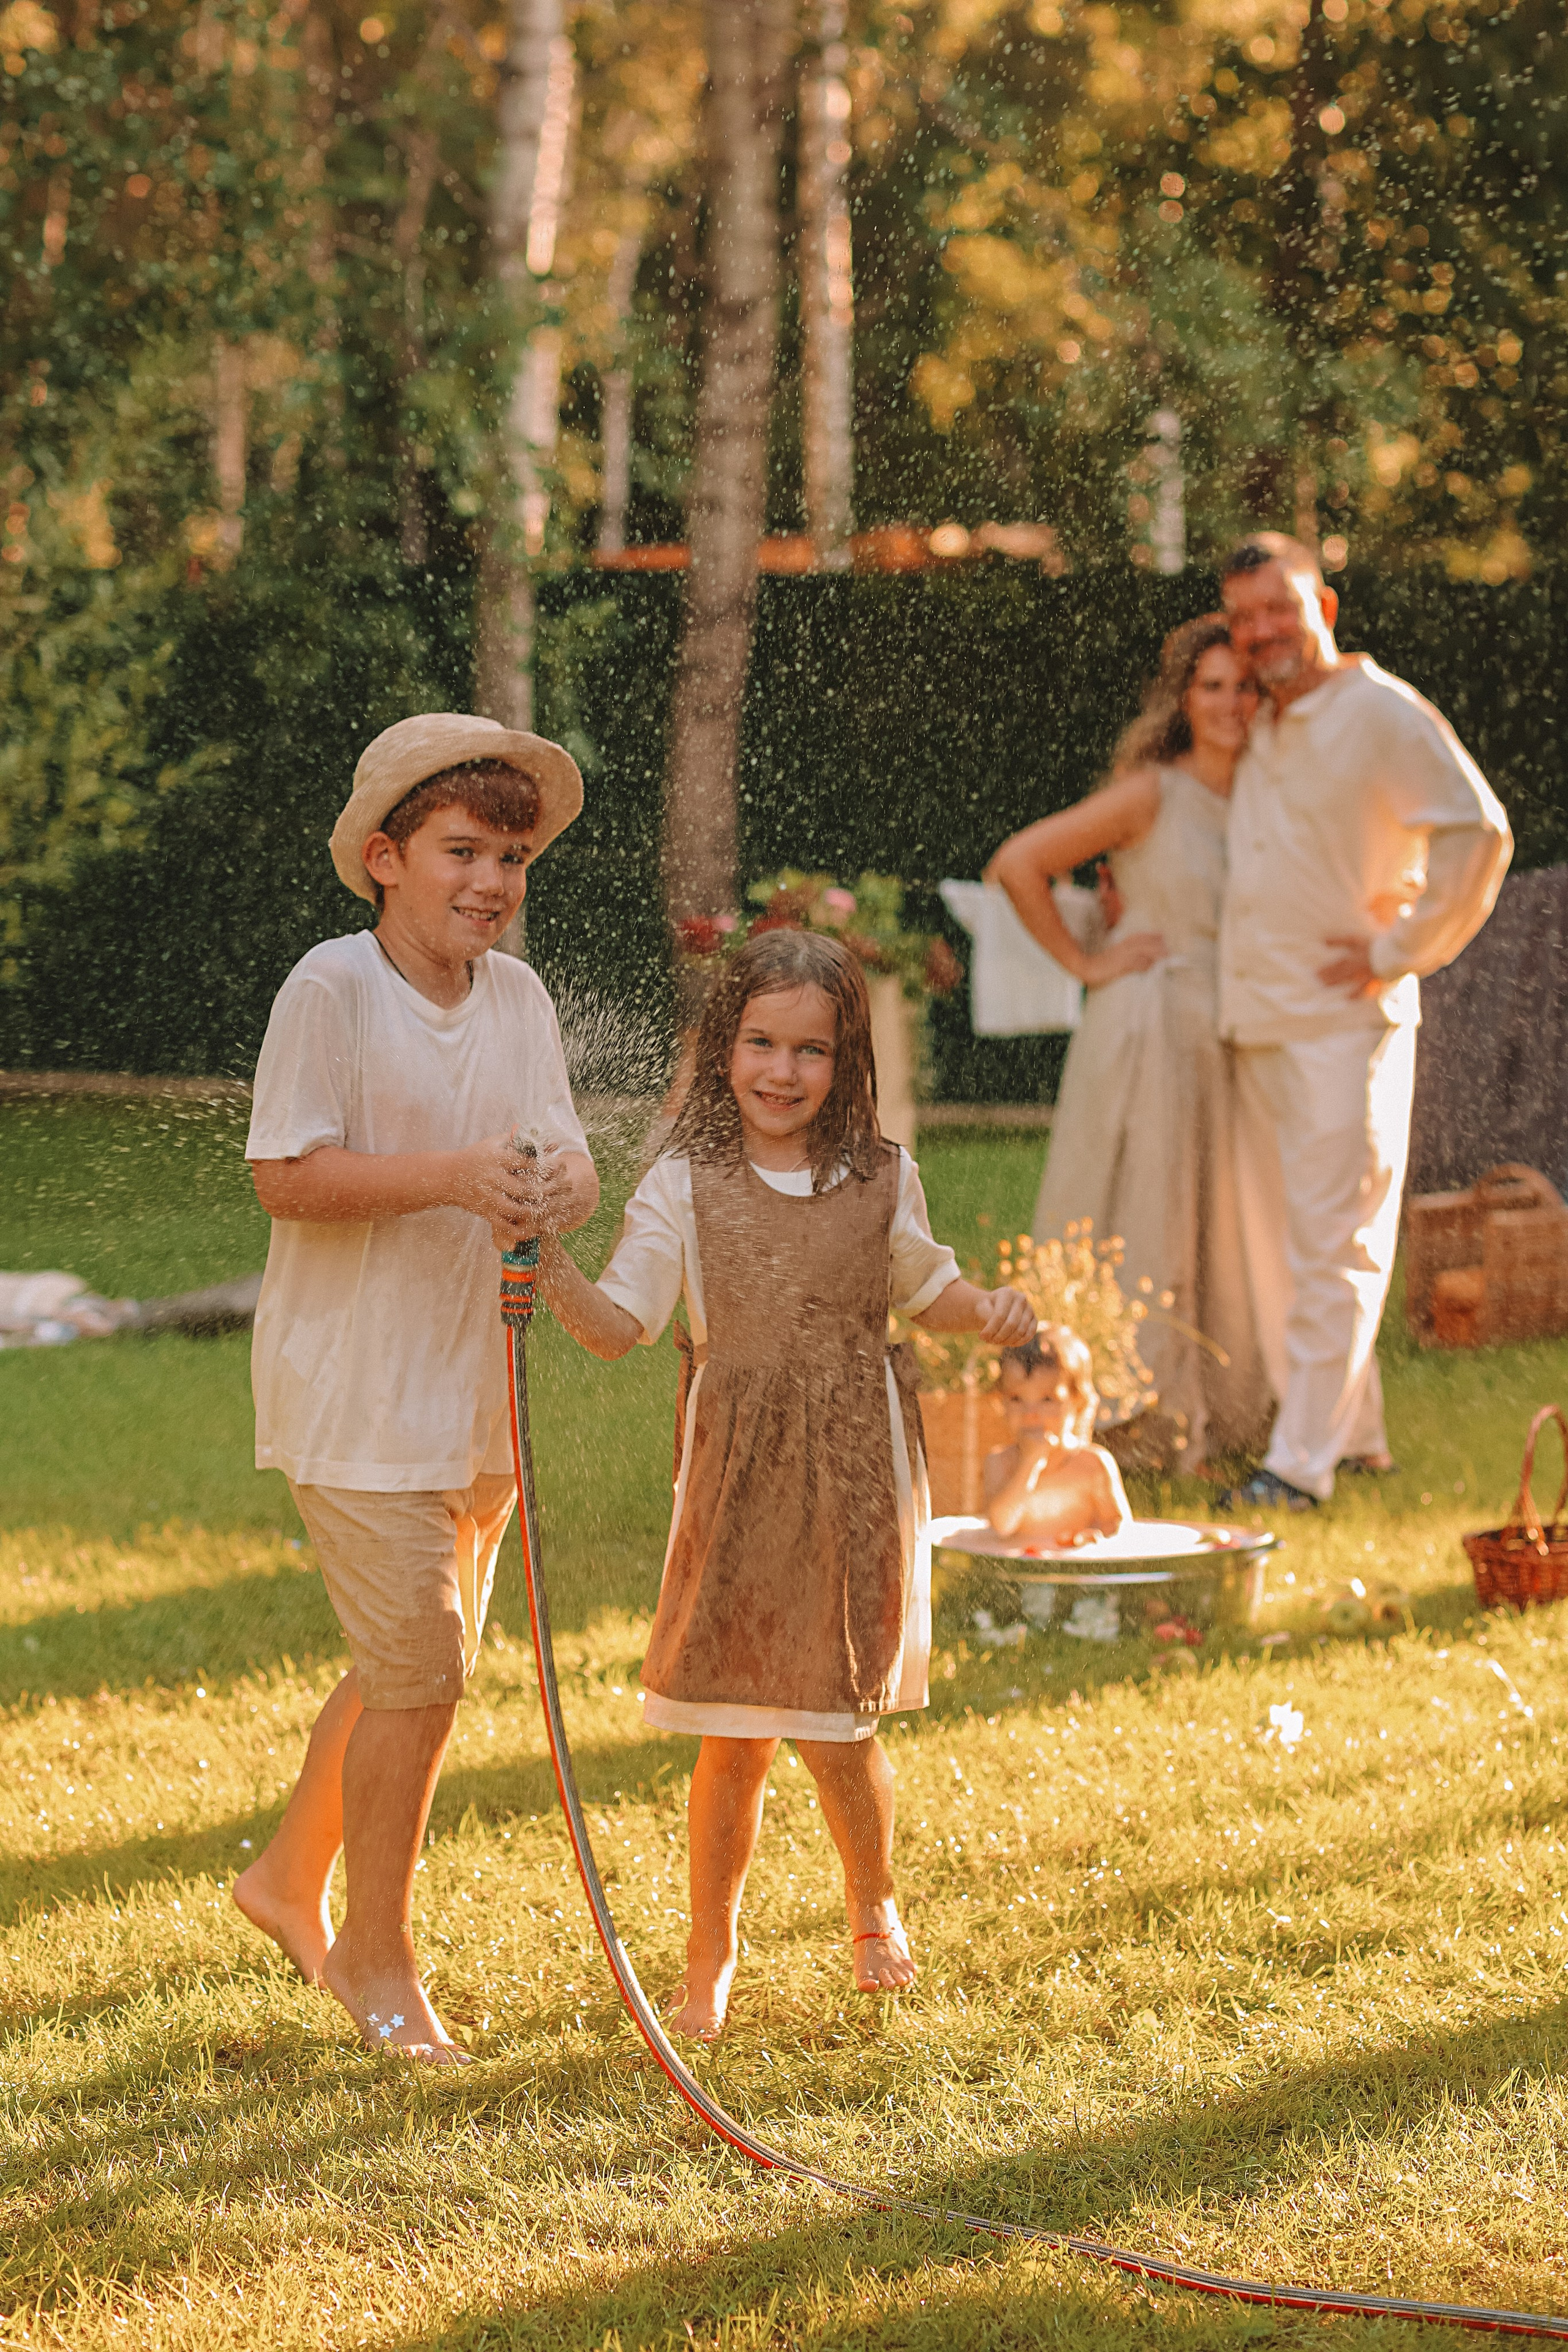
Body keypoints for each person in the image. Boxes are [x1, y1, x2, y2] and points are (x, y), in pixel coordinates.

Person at [538, 929, 1035, 2040]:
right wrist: (543, 1262)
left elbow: (927, 1285)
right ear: (724, 1049)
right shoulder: (684, 1182)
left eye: (809, 1051)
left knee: (836, 1722)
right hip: (738, 1476)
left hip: (857, 1474)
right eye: (761, 1042)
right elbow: (622, 1327)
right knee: (735, 1728)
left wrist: (988, 1309)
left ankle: (874, 1905)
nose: (781, 1070)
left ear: (845, 1059)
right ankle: (710, 1951)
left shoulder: (882, 1176)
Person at [233, 713, 600, 2062]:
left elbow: (564, 1158)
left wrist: (563, 1181)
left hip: (473, 1388)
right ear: (385, 859)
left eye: (511, 857)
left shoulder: (519, 997)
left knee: (404, 1667)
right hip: (354, 1393)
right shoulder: (330, 986)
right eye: (461, 851)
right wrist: (453, 1172)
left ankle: (281, 1882)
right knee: (426, 1676)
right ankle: (373, 1961)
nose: (491, 883)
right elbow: (286, 1176)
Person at [1217, 533, 1513, 1509]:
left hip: (1347, 1026)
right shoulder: (1262, 720)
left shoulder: (1381, 710)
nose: (1262, 632)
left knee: (1333, 1244)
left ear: (1326, 608)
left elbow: (1480, 830)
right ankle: (1359, 1438)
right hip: (1258, 1019)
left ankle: (1296, 1470)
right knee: (1284, 1246)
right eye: (1244, 616)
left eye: (1279, 608)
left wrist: (1396, 952)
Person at [987, 615, 1270, 1471]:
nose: (1230, 704)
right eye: (1211, 686)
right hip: (1149, 1027)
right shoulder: (1153, 792)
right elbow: (1020, 861)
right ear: (1185, 700)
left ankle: (1222, 1408)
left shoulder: (1268, 794)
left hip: (1230, 1033)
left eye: (1245, 686)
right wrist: (1087, 961)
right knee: (1143, 1214)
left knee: (1223, 1226)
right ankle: (1123, 1409)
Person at [983, 1325, 1132, 1546]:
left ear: (1077, 1402)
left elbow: (1120, 1525)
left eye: (1047, 1400)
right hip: (1020, 1574)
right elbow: (1002, 1526)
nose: (1030, 1413)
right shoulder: (1000, 1462)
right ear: (1002, 1402)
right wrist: (1030, 1464)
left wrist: (1095, 1537)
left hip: (1078, 1572)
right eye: (1016, 1399)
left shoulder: (1092, 1464)